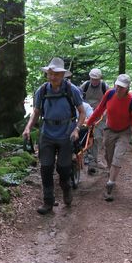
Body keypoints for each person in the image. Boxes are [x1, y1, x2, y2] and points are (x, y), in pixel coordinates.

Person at [23, 57, 86, 214]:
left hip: (66, 133)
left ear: (63, 74)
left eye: (56, 74)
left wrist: (77, 129)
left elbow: (82, 112)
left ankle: (66, 188)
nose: (53, 77)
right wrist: (28, 127)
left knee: (63, 169)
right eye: (50, 73)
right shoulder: (42, 91)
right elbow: (36, 112)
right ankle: (48, 202)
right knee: (45, 168)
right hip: (47, 133)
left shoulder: (72, 90)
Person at [86, 74, 132, 201]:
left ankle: (110, 184)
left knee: (118, 156)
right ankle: (111, 173)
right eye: (117, 85)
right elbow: (99, 109)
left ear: (127, 88)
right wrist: (89, 123)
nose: (118, 88)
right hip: (109, 130)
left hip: (124, 132)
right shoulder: (109, 94)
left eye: (122, 87)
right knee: (109, 157)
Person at [80, 68, 108, 175]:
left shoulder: (104, 87)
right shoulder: (85, 86)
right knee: (85, 136)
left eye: (96, 79)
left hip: (100, 116)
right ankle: (86, 156)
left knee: (97, 137)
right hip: (87, 114)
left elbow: (110, 100)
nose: (94, 81)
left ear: (100, 78)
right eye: (92, 79)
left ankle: (93, 160)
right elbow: (79, 98)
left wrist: (106, 111)